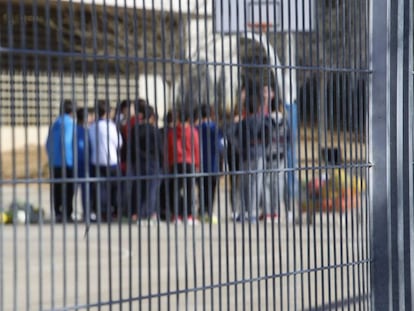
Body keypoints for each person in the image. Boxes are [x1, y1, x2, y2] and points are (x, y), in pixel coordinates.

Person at [228, 84, 270, 223]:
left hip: (245, 154)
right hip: (258, 154)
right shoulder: (262, 121)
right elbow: (268, 136)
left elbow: (231, 135)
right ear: (259, 108)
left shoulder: (243, 122)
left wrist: (239, 147)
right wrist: (264, 147)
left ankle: (243, 212)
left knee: (244, 184)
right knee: (255, 184)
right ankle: (252, 213)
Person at [88, 100, 123, 222]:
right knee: (115, 187)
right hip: (111, 160)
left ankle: (102, 211)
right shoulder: (111, 126)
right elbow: (119, 142)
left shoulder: (92, 127)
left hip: (96, 161)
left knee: (100, 188)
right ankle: (114, 211)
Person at [128, 103, 163, 224]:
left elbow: (131, 146)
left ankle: (137, 213)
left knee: (139, 188)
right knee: (151, 189)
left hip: (138, 162)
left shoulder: (135, 129)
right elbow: (160, 148)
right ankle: (147, 214)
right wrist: (162, 164)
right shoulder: (154, 130)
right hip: (152, 162)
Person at [166, 107, 200, 224]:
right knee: (189, 190)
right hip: (190, 162)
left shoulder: (173, 132)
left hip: (176, 162)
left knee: (175, 190)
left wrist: (168, 162)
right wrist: (197, 163)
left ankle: (176, 215)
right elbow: (196, 147)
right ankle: (189, 215)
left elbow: (169, 148)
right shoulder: (193, 131)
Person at [45, 99, 76, 223]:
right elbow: (67, 142)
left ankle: (58, 213)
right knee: (68, 188)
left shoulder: (55, 123)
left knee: (57, 188)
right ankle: (67, 213)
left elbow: (48, 144)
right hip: (67, 162)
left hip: (55, 162)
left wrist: (52, 158)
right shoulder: (70, 123)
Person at [261, 97, 290, 222]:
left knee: (266, 184)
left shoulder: (266, 120)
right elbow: (289, 138)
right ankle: (276, 212)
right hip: (280, 156)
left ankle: (267, 212)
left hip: (267, 155)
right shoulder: (285, 121)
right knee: (278, 184)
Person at [194, 103, 223, 224]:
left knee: (201, 189)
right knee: (212, 189)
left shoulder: (196, 129)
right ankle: (209, 211)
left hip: (200, 164)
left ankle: (201, 211)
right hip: (214, 164)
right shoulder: (216, 129)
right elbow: (221, 146)